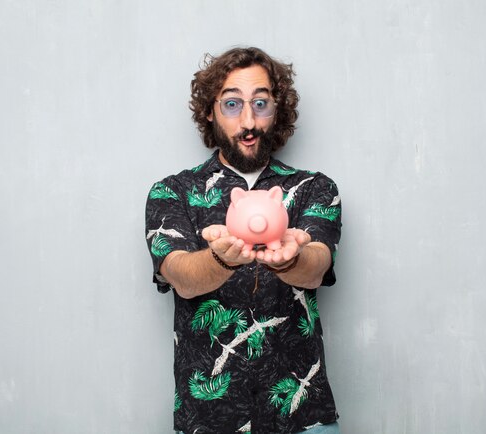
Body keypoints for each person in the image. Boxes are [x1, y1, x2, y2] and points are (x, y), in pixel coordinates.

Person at [145, 47, 342, 434]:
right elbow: (181, 276)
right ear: (210, 111)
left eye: (261, 104)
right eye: (232, 104)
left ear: (277, 110)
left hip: (304, 419)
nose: (248, 121)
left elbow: (318, 264)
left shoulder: (315, 188)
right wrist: (221, 260)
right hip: (209, 421)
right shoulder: (172, 192)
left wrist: (289, 259)